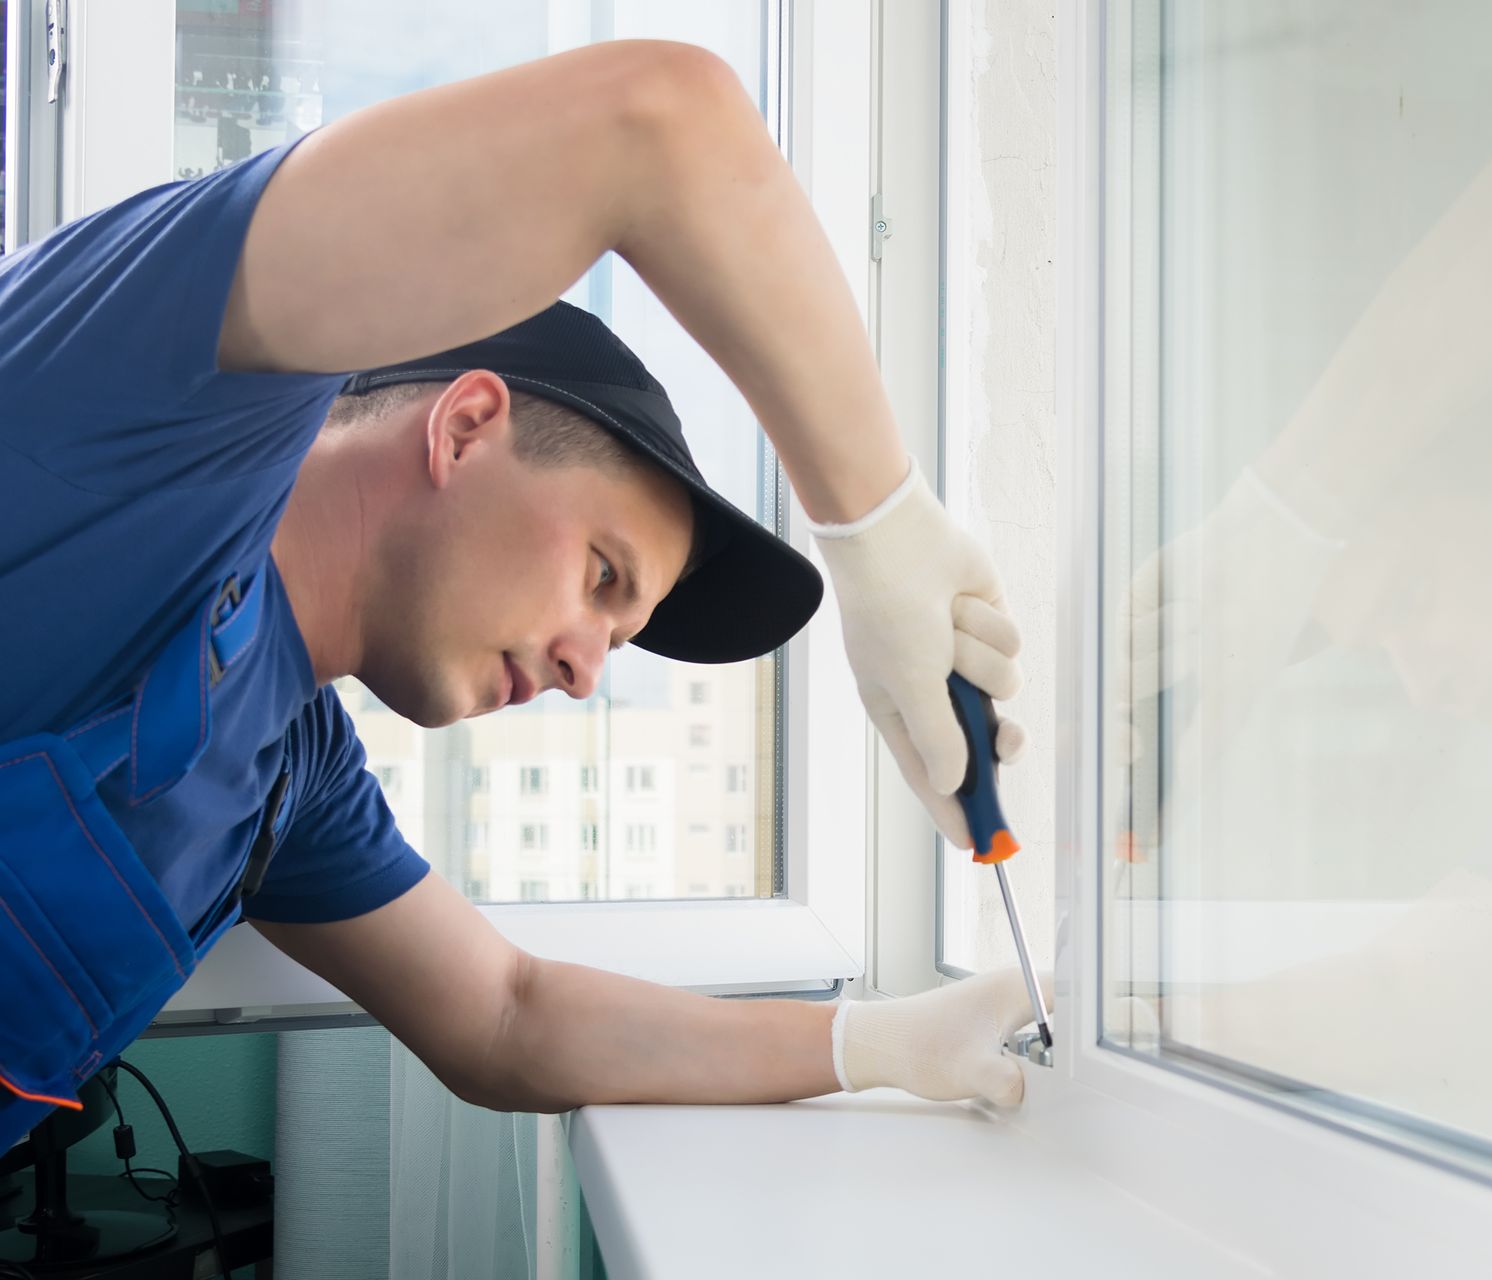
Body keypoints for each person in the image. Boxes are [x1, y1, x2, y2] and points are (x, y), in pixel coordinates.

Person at [0, 40, 1040, 1150]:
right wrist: (875, 524)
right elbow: (650, 123)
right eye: (603, 577)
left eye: (616, 637)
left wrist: (875, 1046)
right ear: (465, 425)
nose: (586, 669)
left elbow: (506, 1015)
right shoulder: (159, 417)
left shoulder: (285, 779)